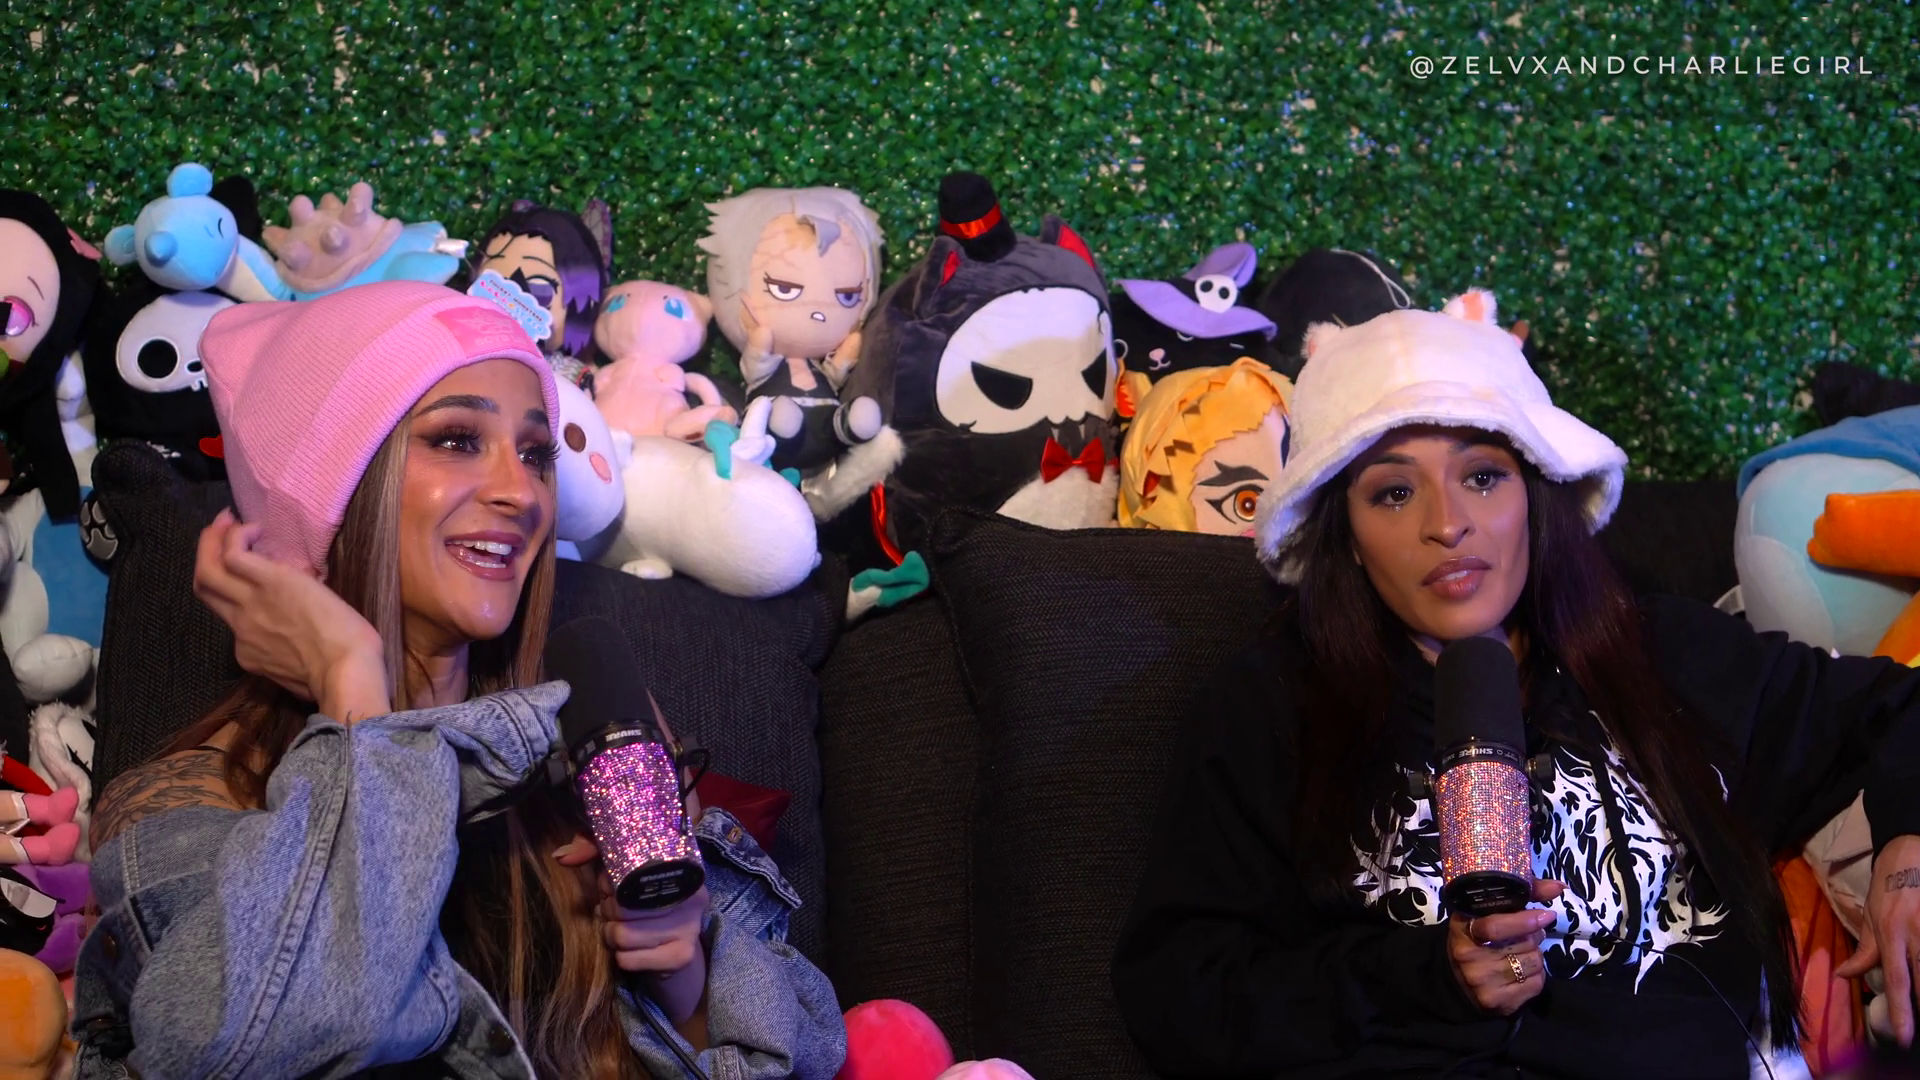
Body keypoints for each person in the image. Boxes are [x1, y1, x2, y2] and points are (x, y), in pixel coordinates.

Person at [1111, 289, 1920, 1078]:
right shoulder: (1267, 707)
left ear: (1534, 493)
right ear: (1346, 534)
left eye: (1483, 477)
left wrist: (1907, 852)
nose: (1446, 523)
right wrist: (1425, 977)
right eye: (1394, 491)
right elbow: (1177, 993)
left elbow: (1899, 708)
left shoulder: (1661, 654)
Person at [71, 281, 846, 1079]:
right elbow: (249, 1042)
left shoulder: (586, 770)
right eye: (455, 439)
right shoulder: (189, 801)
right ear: (336, 493)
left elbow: (805, 1057)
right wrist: (355, 691)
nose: (521, 492)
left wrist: (680, 975)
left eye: (536, 453)